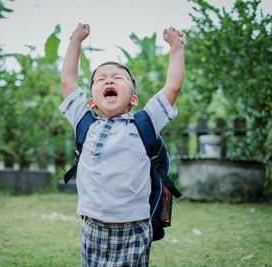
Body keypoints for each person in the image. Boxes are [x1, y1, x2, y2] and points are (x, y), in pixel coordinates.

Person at [59, 23, 185, 267]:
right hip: (92, 226)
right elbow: (67, 81)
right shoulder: (84, 122)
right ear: (93, 101)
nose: (109, 80)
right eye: (100, 79)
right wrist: (75, 41)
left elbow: (173, 86)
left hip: (135, 227)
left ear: (134, 99)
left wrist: (176, 48)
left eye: (118, 78)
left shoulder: (145, 122)